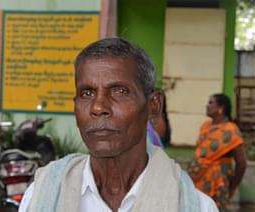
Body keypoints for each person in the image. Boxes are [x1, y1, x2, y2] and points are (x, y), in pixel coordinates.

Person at [19, 38, 218, 212]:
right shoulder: (42, 194)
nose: (98, 107)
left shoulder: (195, 206)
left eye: (119, 91)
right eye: (87, 93)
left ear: (153, 105)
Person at [188, 93, 247, 211]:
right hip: (198, 181)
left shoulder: (230, 130)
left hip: (217, 185)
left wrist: (232, 188)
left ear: (221, 108)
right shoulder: (205, 126)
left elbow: (241, 163)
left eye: (211, 103)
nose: (207, 106)